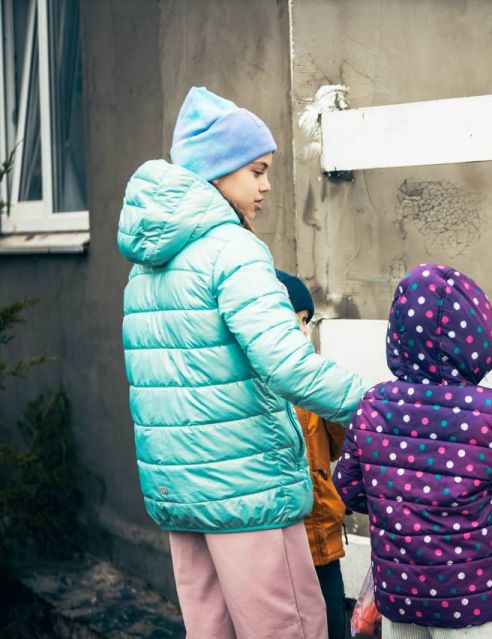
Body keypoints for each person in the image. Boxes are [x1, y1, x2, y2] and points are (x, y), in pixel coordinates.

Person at [118, 86, 367, 639]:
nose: (266, 185)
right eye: (256, 170)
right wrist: (374, 403)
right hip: (248, 490)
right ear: (217, 169)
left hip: (180, 492)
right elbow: (289, 365)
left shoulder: (146, 265)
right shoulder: (232, 250)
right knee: (289, 630)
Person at [334, 263, 492, 639]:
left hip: (400, 593)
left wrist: (397, 500)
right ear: (479, 338)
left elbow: (350, 488)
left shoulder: (373, 406)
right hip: (470, 599)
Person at [277, 269, 350, 639]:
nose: (304, 331)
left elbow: (336, 446)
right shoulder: (266, 389)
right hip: (287, 540)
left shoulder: (312, 381)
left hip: (323, 534)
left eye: (307, 322)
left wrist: (324, 390)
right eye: (298, 320)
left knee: (333, 621)